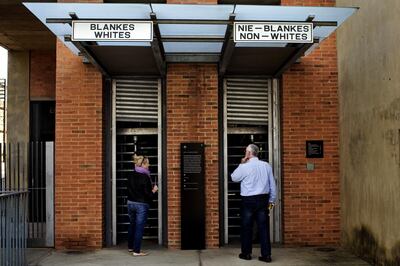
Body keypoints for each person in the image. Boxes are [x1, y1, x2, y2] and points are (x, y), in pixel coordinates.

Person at [231, 144, 277, 263]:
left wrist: (241, 163)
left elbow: (234, 178)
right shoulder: (266, 165)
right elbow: (273, 186)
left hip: (248, 200)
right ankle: (266, 255)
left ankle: (246, 253)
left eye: (246, 151)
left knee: (247, 227)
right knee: (264, 228)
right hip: (263, 200)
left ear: (249, 153)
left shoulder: (244, 166)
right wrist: (271, 204)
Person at [127, 154, 158, 256]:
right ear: (143, 164)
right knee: (139, 227)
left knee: (132, 225)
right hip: (141, 205)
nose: (149, 165)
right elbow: (148, 195)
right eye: (148, 163)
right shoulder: (145, 177)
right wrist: (154, 190)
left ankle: (130, 247)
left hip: (130, 203)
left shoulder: (131, 175)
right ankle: (136, 251)